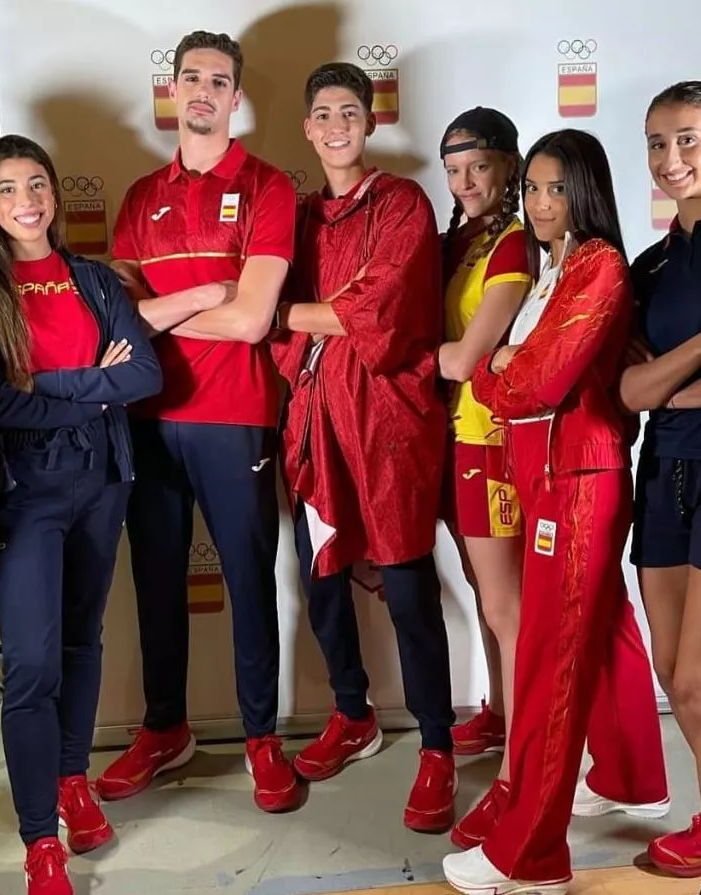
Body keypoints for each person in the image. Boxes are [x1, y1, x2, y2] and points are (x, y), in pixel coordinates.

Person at [443, 130, 667, 895]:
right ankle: (636, 778)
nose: (540, 202)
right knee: (597, 629)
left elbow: (535, 381)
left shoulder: (598, 264)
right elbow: (526, 372)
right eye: (532, 189)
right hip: (555, 474)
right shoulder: (557, 263)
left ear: (584, 191)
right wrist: (506, 366)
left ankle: (531, 855)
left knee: (548, 658)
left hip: (578, 478)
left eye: (555, 188)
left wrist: (495, 371)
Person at [0, 134, 162, 895]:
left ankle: (72, 780)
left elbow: (141, 373)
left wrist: (50, 384)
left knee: (80, 640)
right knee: (30, 665)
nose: (27, 200)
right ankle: (41, 839)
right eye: (8, 189)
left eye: (37, 184)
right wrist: (85, 383)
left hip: (100, 480)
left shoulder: (92, 278)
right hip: (24, 493)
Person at [94, 31, 300, 813]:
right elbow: (120, 319)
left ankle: (260, 739)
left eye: (220, 79)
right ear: (173, 91)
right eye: (192, 78)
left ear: (235, 97)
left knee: (248, 582)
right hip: (146, 418)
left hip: (234, 415)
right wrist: (197, 296)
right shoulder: (142, 195)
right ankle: (163, 727)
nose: (205, 90)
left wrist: (156, 318)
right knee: (154, 582)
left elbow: (251, 323)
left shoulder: (269, 186)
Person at [268, 61, 456, 831]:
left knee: (409, 586)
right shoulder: (299, 215)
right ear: (307, 128)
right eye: (323, 113)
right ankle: (353, 711)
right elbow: (280, 312)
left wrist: (289, 311)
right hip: (315, 417)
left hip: (386, 422)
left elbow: (379, 309)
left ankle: (438, 745)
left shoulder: (403, 201)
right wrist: (305, 313)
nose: (337, 124)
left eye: (350, 110)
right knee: (321, 577)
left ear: (369, 121)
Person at [621, 80, 701, 895]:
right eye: (657, 143)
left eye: (686, 138)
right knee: (679, 684)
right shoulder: (651, 261)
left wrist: (665, 382)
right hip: (661, 475)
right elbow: (626, 392)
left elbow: (647, 386)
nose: (670, 158)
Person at [436, 110, 530, 826]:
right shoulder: (464, 241)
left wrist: (394, 345)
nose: (465, 181)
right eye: (453, 168)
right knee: (485, 591)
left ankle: (523, 770)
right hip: (459, 436)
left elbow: (464, 358)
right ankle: (501, 717)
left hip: (491, 440)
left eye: (479, 165)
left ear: (509, 166)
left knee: (508, 609)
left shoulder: (513, 241)